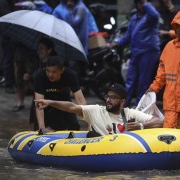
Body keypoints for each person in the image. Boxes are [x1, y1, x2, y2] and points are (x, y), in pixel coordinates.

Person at [35, 83, 163, 135]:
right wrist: (50, 102)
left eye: (113, 98)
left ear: (122, 102)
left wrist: (140, 126)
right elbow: (72, 106)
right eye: (108, 96)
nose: (108, 100)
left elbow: (160, 121)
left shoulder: (130, 113)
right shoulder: (95, 110)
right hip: (99, 152)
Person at [111, 0, 161, 107]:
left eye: (142, 3)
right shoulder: (134, 18)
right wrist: (117, 43)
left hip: (148, 52)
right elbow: (128, 35)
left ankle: (139, 105)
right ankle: (124, 104)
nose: (141, 5)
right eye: (139, 3)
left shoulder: (150, 17)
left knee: (143, 81)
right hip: (136, 53)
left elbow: (155, 14)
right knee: (130, 79)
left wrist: (145, 3)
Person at [34, 56, 86, 132]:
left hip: (63, 102)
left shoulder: (70, 75)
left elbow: (81, 101)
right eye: (48, 71)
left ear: (62, 70)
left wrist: (89, 121)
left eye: (54, 72)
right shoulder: (40, 76)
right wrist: (41, 127)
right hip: (44, 103)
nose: (50, 75)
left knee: (74, 126)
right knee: (40, 129)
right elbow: (39, 104)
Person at [29, 37, 57, 129]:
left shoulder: (55, 67)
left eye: (41, 48)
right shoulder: (38, 63)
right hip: (37, 99)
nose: (39, 51)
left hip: (49, 103)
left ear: (49, 50)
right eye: (38, 48)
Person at [0, 0, 16, 94]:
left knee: (9, 60)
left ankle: (10, 82)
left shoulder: (6, 3)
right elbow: (8, 19)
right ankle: (8, 84)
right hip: (7, 36)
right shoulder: (4, 4)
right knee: (8, 60)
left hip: (7, 35)